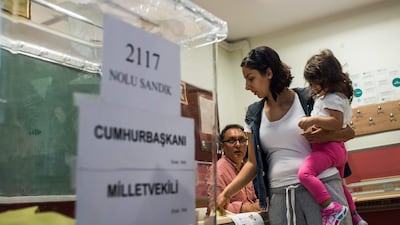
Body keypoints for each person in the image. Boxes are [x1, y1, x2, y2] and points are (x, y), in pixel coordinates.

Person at [216, 46, 355, 225]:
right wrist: (226, 193)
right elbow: (252, 163)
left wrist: (325, 136)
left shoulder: (309, 98)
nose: (247, 86)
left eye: (251, 79)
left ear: (268, 73)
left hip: (322, 188)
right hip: (280, 196)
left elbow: (349, 132)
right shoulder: (253, 114)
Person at [297, 49, 367, 225]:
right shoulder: (331, 97)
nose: (312, 87)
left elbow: (336, 123)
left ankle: (330, 208)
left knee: (304, 174)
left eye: (315, 82)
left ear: (327, 79)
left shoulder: (332, 98)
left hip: (329, 149)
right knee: (341, 186)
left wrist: (312, 120)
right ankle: (355, 215)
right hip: (338, 150)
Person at [206, 124, 260, 214]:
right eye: (232, 140)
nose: (238, 145)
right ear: (222, 146)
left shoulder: (246, 169)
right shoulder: (217, 170)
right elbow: (215, 205)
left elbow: (252, 199)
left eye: (242, 140)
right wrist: (247, 208)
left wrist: (259, 204)